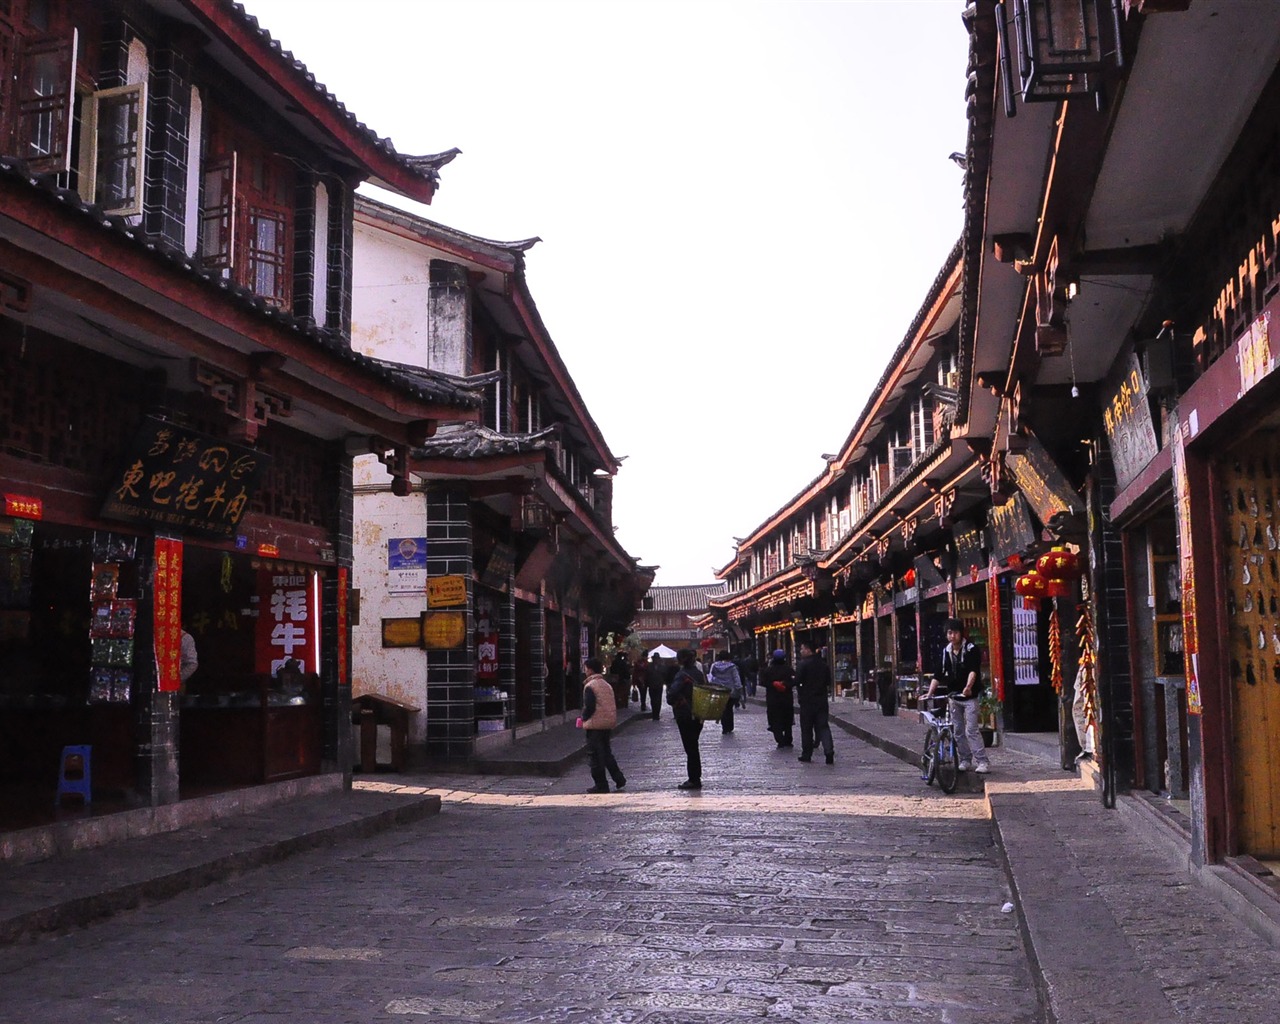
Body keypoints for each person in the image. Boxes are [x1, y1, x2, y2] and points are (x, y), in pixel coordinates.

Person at [923, 617, 990, 773]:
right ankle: (965, 759)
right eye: (949, 633)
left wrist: (968, 687)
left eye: (955, 633)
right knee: (958, 731)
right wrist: (930, 693)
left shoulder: (971, 649)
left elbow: (974, 670)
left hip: (969, 698)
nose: (952, 636)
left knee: (971, 730)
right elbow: (938, 674)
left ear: (961, 633)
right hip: (953, 697)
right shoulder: (946, 652)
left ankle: (982, 761)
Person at [581, 656, 626, 793]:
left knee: (594, 755)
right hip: (607, 723)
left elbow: (590, 706)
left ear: (590, 670)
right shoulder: (607, 685)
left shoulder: (590, 686)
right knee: (606, 753)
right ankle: (619, 779)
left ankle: (601, 784)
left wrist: (584, 718)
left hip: (595, 724)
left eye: (586, 668)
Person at [667, 648, 706, 790]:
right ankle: (696, 777)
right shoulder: (699, 674)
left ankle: (694, 779)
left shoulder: (681, 675)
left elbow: (672, 694)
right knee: (694, 746)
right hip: (698, 713)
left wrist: (674, 701)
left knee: (690, 747)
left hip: (684, 714)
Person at [795, 642, 835, 764]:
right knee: (823, 726)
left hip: (807, 701)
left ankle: (807, 754)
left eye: (802, 649)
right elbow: (828, 681)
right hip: (821, 700)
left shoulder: (803, 665)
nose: (800, 651)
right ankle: (829, 751)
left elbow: (798, 681)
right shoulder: (823, 665)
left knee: (807, 728)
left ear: (808, 650)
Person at [760, 649, 796, 748]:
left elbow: (762, 682)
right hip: (787, 698)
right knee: (788, 718)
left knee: (775, 719)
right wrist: (785, 684)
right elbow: (794, 680)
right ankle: (788, 739)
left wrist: (773, 684)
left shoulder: (768, 670)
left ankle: (779, 739)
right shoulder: (789, 669)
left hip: (773, 698)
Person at [706, 649, 743, 734]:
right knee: (729, 708)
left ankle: (724, 727)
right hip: (731, 691)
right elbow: (736, 678)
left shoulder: (714, 665)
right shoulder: (732, 666)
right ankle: (730, 726)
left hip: (719, 690)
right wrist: (739, 688)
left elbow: (711, 677)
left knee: (722, 708)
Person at [645, 652, 666, 720]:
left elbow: (664, 675)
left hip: (659, 685)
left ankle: (657, 714)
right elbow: (647, 676)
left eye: (657, 659)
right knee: (653, 700)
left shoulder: (662, 667)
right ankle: (654, 713)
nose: (656, 660)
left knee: (658, 700)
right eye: (655, 659)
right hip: (651, 685)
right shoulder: (649, 666)